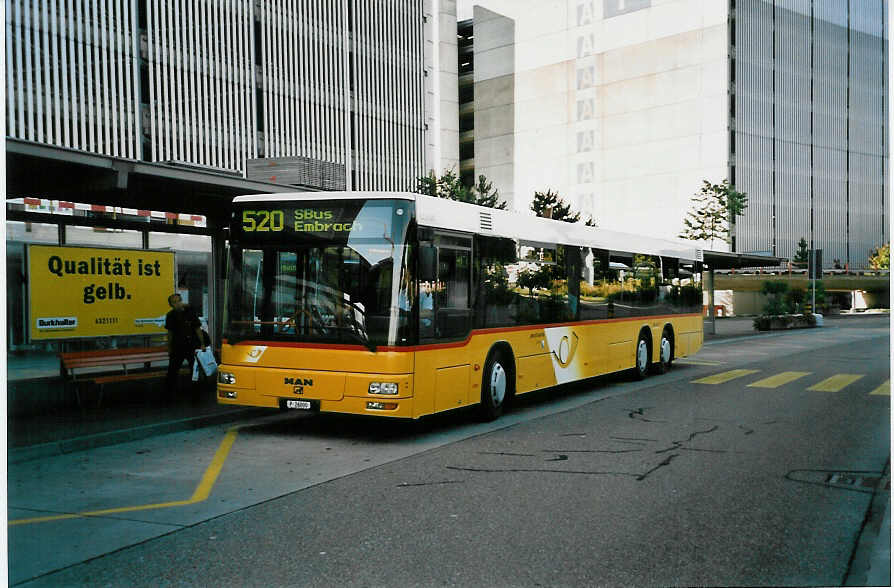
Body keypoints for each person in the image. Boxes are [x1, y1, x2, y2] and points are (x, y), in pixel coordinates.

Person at [164, 293, 203, 401]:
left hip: (191, 346)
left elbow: (197, 329)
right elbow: (170, 333)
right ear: (171, 304)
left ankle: (196, 394)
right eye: (174, 302)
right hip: (177, 347)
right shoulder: (170, 315)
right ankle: (169, 395)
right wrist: (169, 348)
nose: (177, 304)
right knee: (172, 371)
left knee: (194, 370)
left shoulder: (190, 312)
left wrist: (202, 344)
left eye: (179, 301)